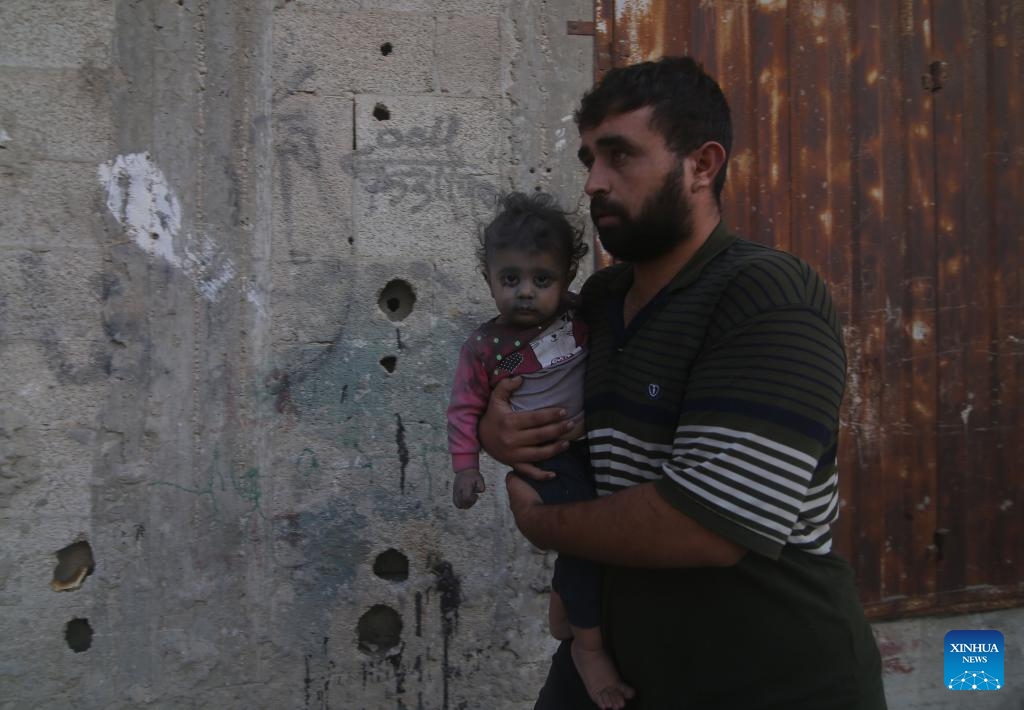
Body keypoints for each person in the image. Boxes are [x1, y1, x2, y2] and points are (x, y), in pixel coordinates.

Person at [479, 57, 888, 709]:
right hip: (613, 673)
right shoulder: (597, 304)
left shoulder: (767, 295)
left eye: (619, 156)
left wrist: (543, 523)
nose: (593, 183)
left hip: (772, 683)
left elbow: (708, 525)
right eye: (589, 159)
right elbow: (511, 375)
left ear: (702, 165)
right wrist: (499, 431)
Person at [446, 192, 635, 709]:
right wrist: (467, 466)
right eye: (510, 280)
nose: (525, 293)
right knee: (588, 538)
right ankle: (590, 648)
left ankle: (565, 607)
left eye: (541, 279)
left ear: (568, 274)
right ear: (488, 277)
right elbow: (464, 410)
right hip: (546, 461)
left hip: (589, 447)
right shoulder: (484, 348)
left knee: (592, 540)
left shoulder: (580, 316)